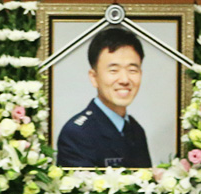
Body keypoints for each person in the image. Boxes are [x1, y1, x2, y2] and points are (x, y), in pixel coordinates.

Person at [57, 27, 152, 168]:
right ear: (94, 77)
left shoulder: (136, 130)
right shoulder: (77, 133)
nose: (125, 79)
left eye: (132, 70)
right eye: (113, 70)